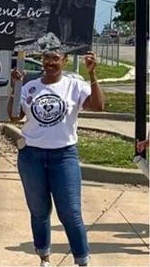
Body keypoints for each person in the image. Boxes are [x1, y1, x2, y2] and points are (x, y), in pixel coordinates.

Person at [8, 50, 104, 267]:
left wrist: (92, 75)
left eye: (55, 58)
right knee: (39, 211)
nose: (50, 63)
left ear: (65, 61)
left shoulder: (74, 85)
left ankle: (82, 260)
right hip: (31, 156)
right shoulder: (29, 87)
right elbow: (15, 116)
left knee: (71, 212)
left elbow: (98, 106)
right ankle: (44, 257)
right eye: (46, 58)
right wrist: (14, 86)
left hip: (64, 156)